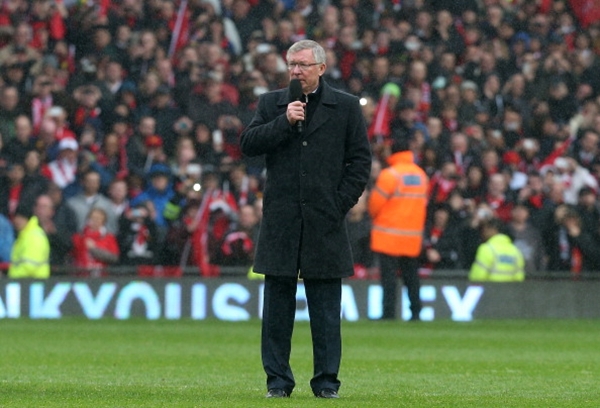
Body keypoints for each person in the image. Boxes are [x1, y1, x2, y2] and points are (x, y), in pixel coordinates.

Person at [239, 40, 371, 399]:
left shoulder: (344, 106)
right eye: (292, 64)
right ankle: (278, 383)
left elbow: (360, 162)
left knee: (326, 312)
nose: (296, 71)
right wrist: (284, 121)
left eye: (303, 65)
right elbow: (248, 144)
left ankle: (327, 383)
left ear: (321, 68)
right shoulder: (272, 103)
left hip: (324, 221)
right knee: (276, 312)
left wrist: (338, 204)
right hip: (282, 221)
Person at [368, 135, 429, 321]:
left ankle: (388, 314)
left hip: (388, 236)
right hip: (412, 237)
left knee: (389, 279)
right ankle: (416, 312)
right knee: (412, 277)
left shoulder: (390, 175)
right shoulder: (421, 175)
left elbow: (374, 206)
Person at [468, 217, 525, 282]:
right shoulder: (516, 251)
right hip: (509, 291)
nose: (483, 233)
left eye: (485, 229)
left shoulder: (486, 249)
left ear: (493, 229)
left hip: (490, 291)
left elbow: (477, 277)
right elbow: (519, 278)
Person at [7, 205, 50, 279]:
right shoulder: (24, 235)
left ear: (27, 219)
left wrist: (10, 278)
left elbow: (30, 266)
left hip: (33, 283)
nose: (16, 221)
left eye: (20, 218)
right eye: (16, 217)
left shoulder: (34, 236)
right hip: (27, 283)